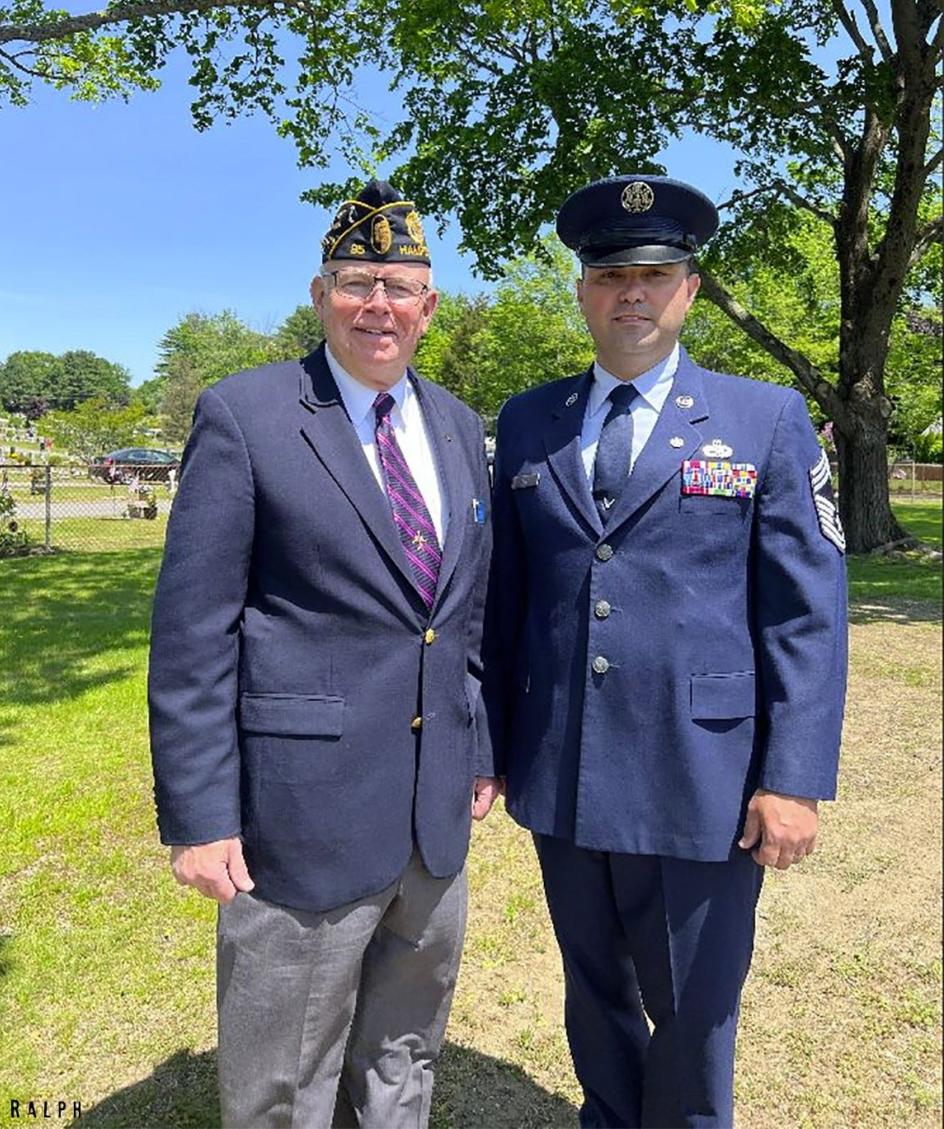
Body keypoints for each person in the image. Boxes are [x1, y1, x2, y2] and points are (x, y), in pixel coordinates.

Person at [486, 174, 848, 1128]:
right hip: (563, 771)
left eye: (654, 272)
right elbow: (506, 600)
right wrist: (489, 748)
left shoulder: (761, 418)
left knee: (694, 1005)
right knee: (593, 984)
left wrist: (795, 779)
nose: (631, 292)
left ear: (690, 286)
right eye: (610, 274)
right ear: (582, 288)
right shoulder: (530, 420)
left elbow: (806, 614)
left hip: (707, 775)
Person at [148, 179, 500, 1129]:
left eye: (397, 283)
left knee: (403, 1047)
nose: (375, 303)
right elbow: (192, 634)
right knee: (282, 1077)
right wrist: (199, 813)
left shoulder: (463, 428)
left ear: (429, 306)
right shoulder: (246, 416)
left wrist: (480, 747)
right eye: (355, 280)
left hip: (432, 821)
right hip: (298, 819)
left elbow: (461, 615)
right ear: (318, 295)